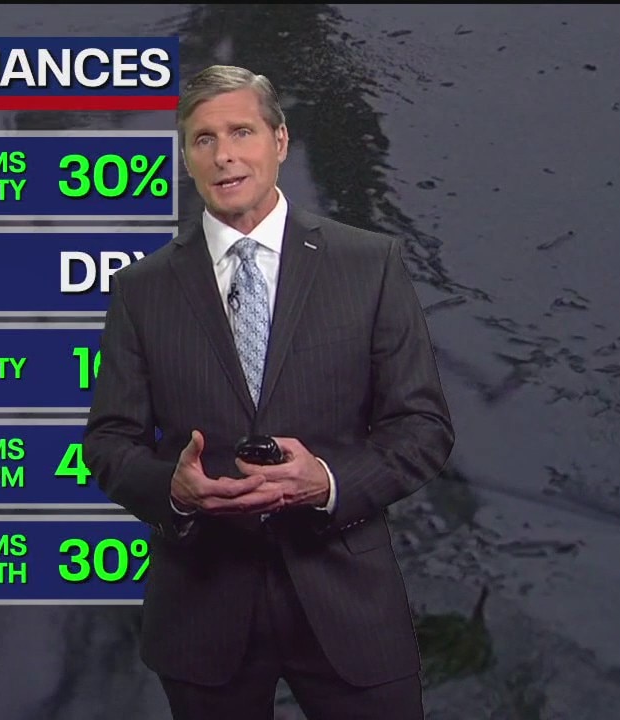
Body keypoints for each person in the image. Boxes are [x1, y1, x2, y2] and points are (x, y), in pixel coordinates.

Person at [82, 65, 454, 719]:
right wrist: (175, 489)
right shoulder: (142, 290)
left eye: (241, 132)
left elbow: (422, 427)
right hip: (202, 610)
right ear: (186, 158)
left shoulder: (369, 264)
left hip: (349, 604)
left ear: (279, 140)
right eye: (203, 139)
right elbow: (110, 442)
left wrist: (328, 482)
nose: (223, 155)